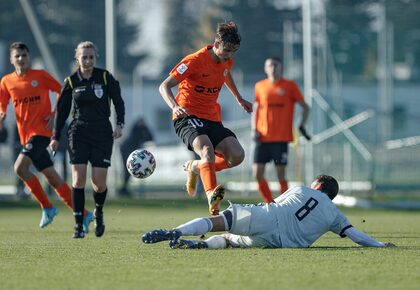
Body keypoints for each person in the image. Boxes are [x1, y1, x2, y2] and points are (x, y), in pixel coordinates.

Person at [142, 175, 396, 249]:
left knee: (220, 222)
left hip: (269, 217)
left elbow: (274, 204)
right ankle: (204, 247)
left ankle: (175, 231)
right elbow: (356, 236)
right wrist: (380, 245)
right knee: (231, 241)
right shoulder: (335, 215)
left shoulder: (301, 189)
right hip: (280, 243)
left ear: (317, 185)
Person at [159, 21, 253, 216]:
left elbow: (225, 74)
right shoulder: (194, 61)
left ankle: (196, 167)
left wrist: (239, 98)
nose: (229, 55)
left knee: (237, 156)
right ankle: (211, 195)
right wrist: (175, 106)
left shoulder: (226, 60)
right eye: (227, 50)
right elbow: (164, 86)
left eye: (233, 52)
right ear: (216, 43)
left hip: (211, 117)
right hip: (187, 116)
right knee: (207, 150)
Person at [0, 42, 93, 229]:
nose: (21, 59)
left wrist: (54, 114)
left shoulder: (40, 76)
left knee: (20, 168)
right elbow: (2, 104)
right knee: (53, 178)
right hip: (25, 135)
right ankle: (83, 214)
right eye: (17, 56)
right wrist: (1, 116)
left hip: (42, 133)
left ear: (29, 57)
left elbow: (63, 91)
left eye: (24, 55)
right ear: (11, 60)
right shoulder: (6, 82)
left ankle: (47, 207)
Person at [50, 41, 125, 239]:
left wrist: (120, 124)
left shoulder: (105, 77)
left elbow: (118, 101)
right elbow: (62, 111)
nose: (88, 60)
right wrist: (56, 136)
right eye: (84, 57)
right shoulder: (72, 81)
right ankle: (79, 225)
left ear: (95, 57)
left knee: (99, 185)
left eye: (91, 57)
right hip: (78, 133)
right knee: (78, 179)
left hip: (102, 133)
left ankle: (98, 212)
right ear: (78, 59)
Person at [252, 57, 310, 203]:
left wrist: (301, 125)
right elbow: (256, 109)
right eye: (270, 65)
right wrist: (254, 129)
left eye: (276, 65)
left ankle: (284, 204)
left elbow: (305, 107)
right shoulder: (260, 86)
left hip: (281, 139)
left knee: (281, 176)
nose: (273, 68)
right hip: (262, 138)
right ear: (265, 68)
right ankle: (269, 203)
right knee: (257, 174)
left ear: (281, 67)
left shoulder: (290, 86)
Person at [118, 117, 153, 196]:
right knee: (127, 170)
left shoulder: (143, 129)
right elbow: (138, 137)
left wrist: (146, 127)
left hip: (132, 151)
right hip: (126, 149)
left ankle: (124, 189)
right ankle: (123, 189)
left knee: (130, 171)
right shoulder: (135, 129)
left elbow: (150, 137)